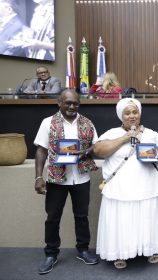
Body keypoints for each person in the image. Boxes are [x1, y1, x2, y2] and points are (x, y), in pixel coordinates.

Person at [93, 98, 158, 269]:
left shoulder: (150, 133)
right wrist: (125, 137)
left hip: (147, 187)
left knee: (147, 218)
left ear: (139, 114)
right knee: (122, 221)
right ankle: (120, 253)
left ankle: (150, 249)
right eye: (127, 113)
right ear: (121, 116)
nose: (132, 116)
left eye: (135, 112)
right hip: (120, 189)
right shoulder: (112, 133)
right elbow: (98, 150)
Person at [33, 89, 100, 274]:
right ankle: (51, 254)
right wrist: (38, 177)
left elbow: (97, 145)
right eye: (68, 103)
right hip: (56, 179)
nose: (72, 106)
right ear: (59, 103)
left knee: (81, 216)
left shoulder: (87, 123)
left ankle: (83, 250)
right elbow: (41, 150)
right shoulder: (48, 123)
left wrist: (85, 151)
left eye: (75, 103)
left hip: (81, 177)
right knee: (53, 218)